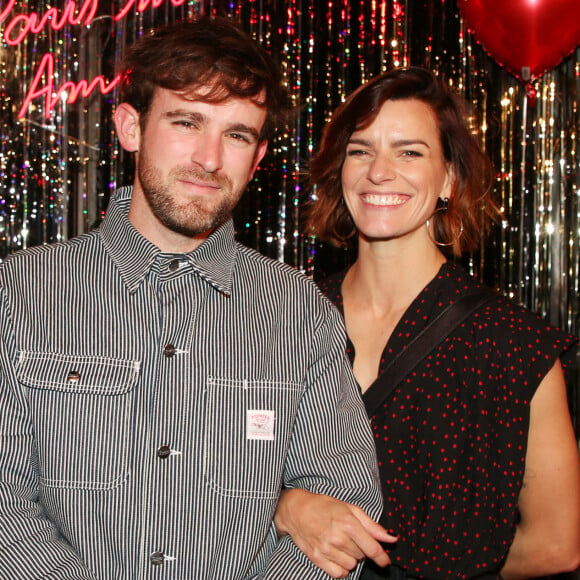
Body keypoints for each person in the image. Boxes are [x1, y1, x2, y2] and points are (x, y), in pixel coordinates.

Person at [0, 17, 386, 579]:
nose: (209, 159)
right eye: (187, 122)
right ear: (131, 127)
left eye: (236, 135)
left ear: (257, 159)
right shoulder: (19, 293)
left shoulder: (299, 311)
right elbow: (8, 510)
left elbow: (340, 506)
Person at [274, 67, 580, 579]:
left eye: (409, 151)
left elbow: (557, 545)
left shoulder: (508, 343)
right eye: (360, 150)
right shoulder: (284, 314)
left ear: (448, 179)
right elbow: (216, 477)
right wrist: (286, 506)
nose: (378, 171)